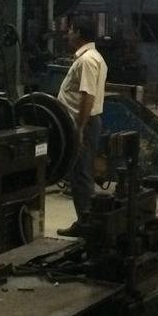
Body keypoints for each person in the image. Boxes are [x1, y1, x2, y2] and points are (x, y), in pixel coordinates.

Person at [56, 15, 108, 237]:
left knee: (81, 175)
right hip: (84, 123)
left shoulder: (87, 60)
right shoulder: (93, 57)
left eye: (70, 30)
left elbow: (88, 96)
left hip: (83, 125)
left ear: (78, 33)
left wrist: (78, 128)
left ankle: (87, 226)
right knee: (80, 175)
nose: (67, 34)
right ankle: (85, 222)